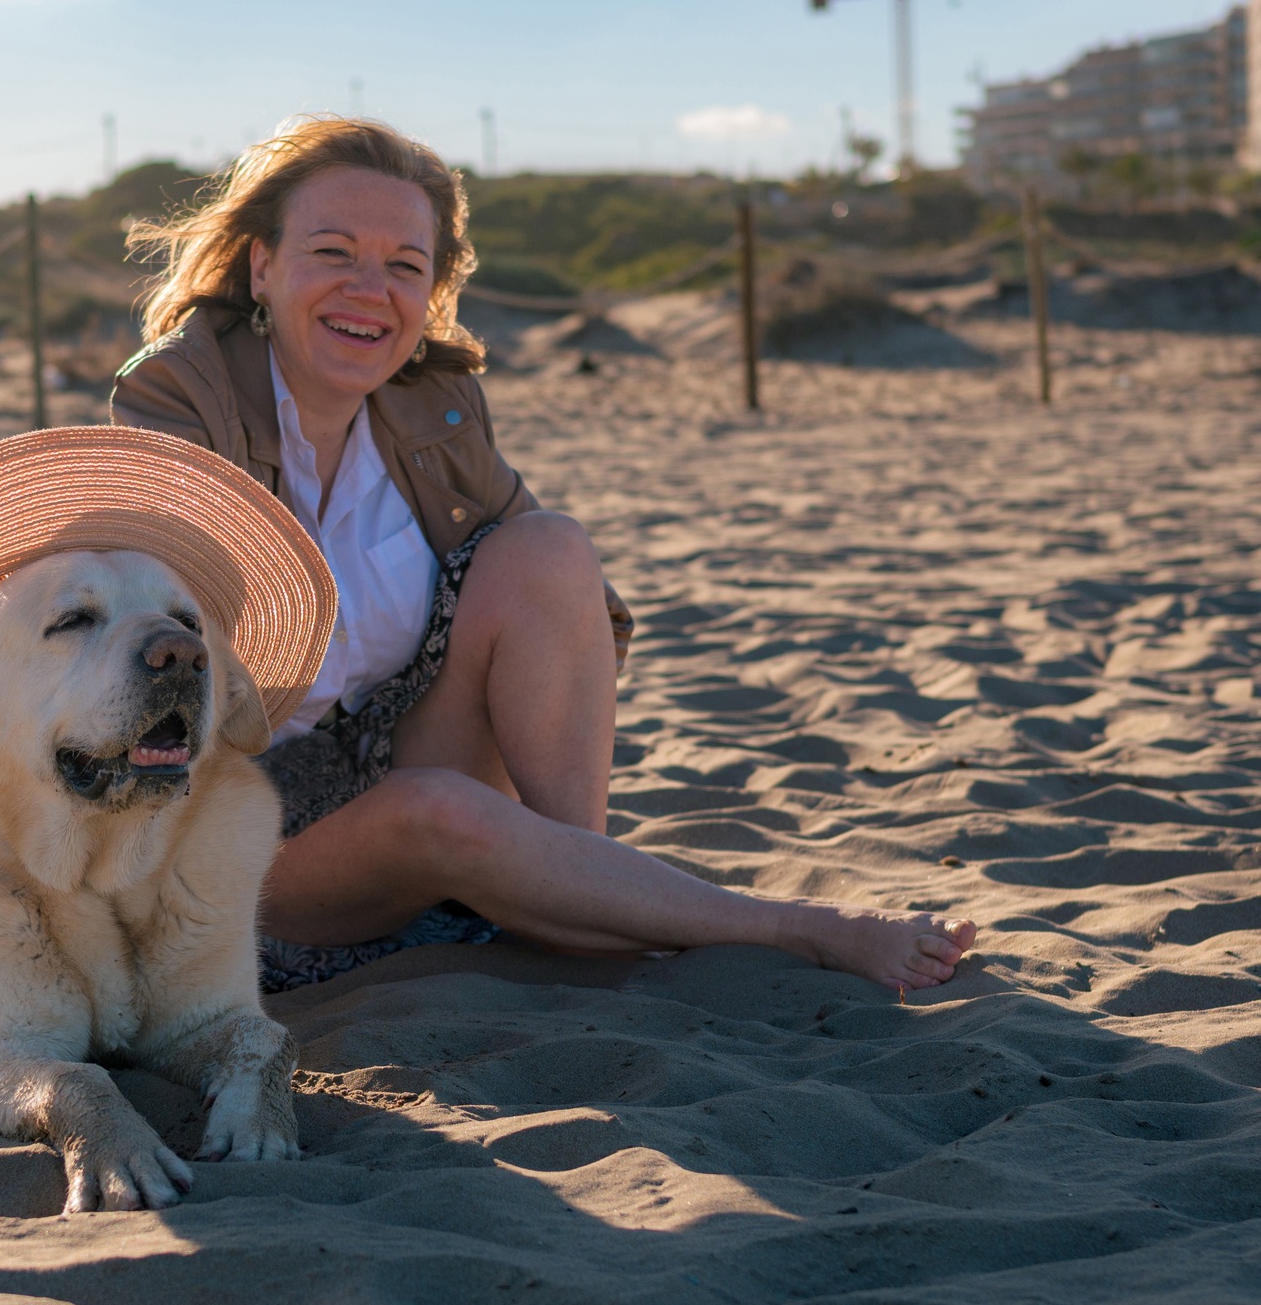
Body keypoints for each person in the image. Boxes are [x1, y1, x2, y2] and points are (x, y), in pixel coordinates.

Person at [111, 116, 975, 994]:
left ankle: (576, 893)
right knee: (431, 808)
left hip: (382, 761)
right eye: (334, 252)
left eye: (405, 266)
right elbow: (147, 663)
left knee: (549, 547)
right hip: (228, 837)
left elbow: (563, 610)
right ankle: (800, 931)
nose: (370, 289)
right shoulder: (182, 392)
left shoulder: (431, 406)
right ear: (263, 264)